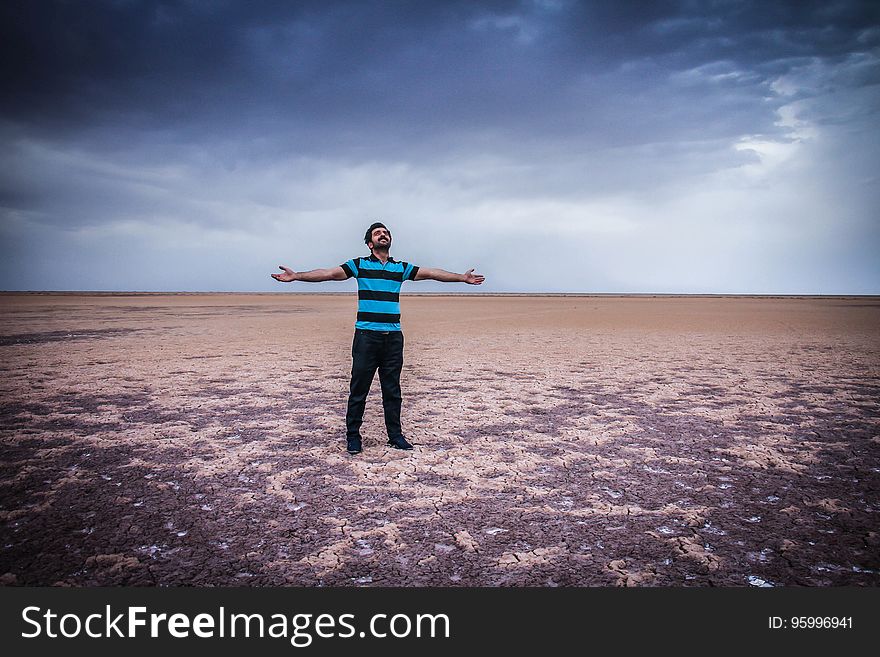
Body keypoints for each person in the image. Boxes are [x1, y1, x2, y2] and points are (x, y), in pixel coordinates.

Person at [271, 222, 485, 454]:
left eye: (386, 232)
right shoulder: (359, 265)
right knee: (359, 389)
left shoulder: (400, 268)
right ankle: (353, 437)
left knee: (392, 390)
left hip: (393, 338)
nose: (383, 235)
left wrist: (461, 279)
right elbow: (328, 274)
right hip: (366, 337)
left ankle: (395, 436)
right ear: (370, 243)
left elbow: (432, 273)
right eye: (378, 233)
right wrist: (297, 276)